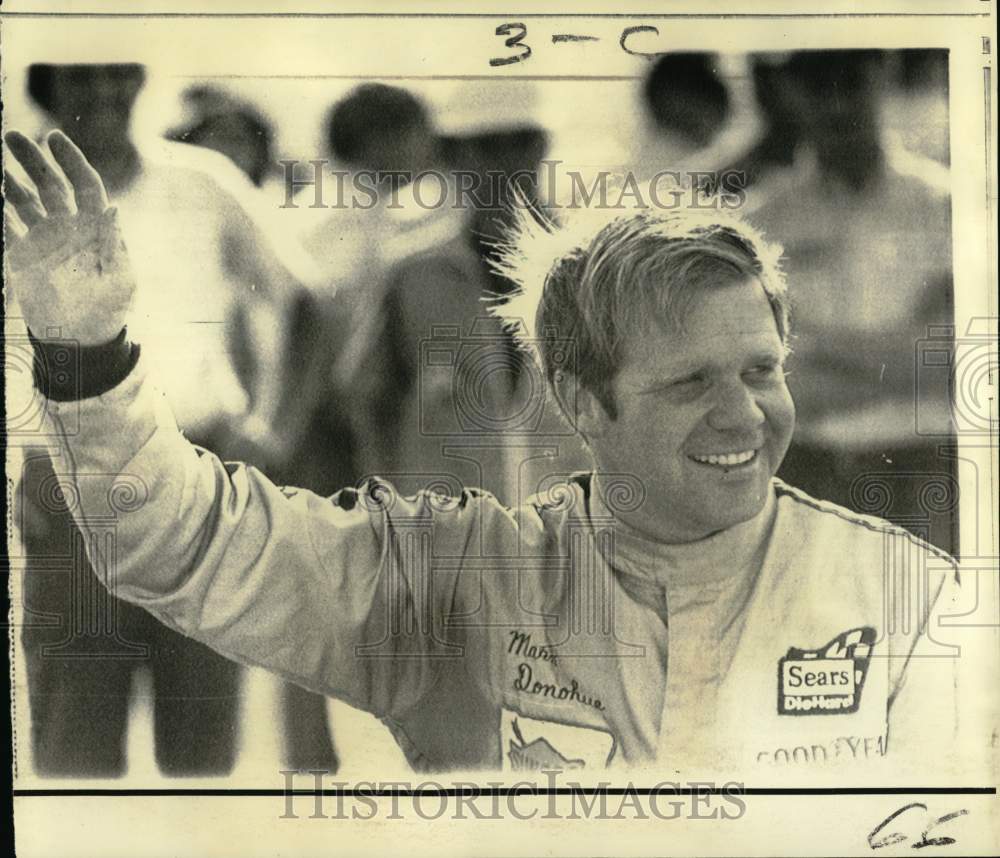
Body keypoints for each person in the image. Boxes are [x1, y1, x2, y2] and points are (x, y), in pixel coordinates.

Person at [3, 130, 968, 775]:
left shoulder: (906, 593)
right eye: (687, 383)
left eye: (761, 370)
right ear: (583, 403)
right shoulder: (460, 581)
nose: (743, 418)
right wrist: (86, 360)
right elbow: (188, 545)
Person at [12, 63, 313, 777]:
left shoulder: (200, 182)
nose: (102, 92)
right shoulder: (13, 193)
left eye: (116, 74)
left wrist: (274, 426)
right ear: (47, 86)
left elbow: (303, 305)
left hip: (196, 479)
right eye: (80, 78)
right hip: (67, 486)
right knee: (73, 755)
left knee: (203, 746)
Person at [745, 50, 957, 555]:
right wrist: (900, 354)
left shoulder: (946, 204)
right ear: (791, 91)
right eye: (819, 84)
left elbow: (957, 361)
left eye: (852, 79)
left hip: (925, 471)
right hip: (811, 473)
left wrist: (819, 347)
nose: (838, 103)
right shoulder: (762, 220)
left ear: (883, 73)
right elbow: (764, 378)